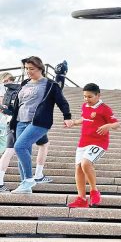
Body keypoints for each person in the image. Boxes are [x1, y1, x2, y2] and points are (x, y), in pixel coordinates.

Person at [9, 56, 73, 194]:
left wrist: (67, 116)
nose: (28, 71)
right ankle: (25, 187)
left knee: (19, 147)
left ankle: (28, 180)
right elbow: (19, 102)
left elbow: (62, 101)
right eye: (26, 68)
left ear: (40, 68)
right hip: (20, 121)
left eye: (31, 69)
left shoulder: (50, 84)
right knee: (24, 152)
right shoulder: (25, 83)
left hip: (38, 122)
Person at [66, 83, 120, 208]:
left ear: (98, 95)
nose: (86, 99)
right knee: (79, 168)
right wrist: (73, 123)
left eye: (89, 97)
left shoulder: (105, 108)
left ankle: (94, 190)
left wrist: (108, 126)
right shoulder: (85, 106)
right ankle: (82, 199)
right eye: (84, 96)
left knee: (86, 163)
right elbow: (84, 119)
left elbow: (117, 124)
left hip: (99, 142)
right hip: (83, 142)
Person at [0, 73, 54, 192]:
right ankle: (30, 179)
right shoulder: (9, 89)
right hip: (19, 123)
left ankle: (34, 177)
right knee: (13, 150)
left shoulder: (18, 89)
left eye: (12, 79)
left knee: (41, 144)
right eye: (7, 80)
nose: (10, 82)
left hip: (28, 122)